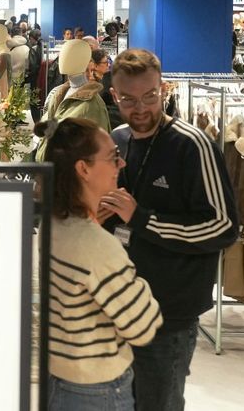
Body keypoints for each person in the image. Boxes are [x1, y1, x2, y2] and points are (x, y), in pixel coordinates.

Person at [105, 48, 238, 410]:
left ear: (163, 88)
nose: (141, 108)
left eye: (150, 96)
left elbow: (224, 227)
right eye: (129, 99)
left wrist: (142, 219)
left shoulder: (192, 145)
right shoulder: (117, 139)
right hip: (118, 305)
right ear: (114, 96)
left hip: (168, 313)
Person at [37, 117, 162, 410]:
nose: (122, 164)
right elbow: (142, 326)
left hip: (59, 378)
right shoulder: (98, 246)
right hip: (98, 391)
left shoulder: (52, 223)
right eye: (113, 157)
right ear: (84, 169)